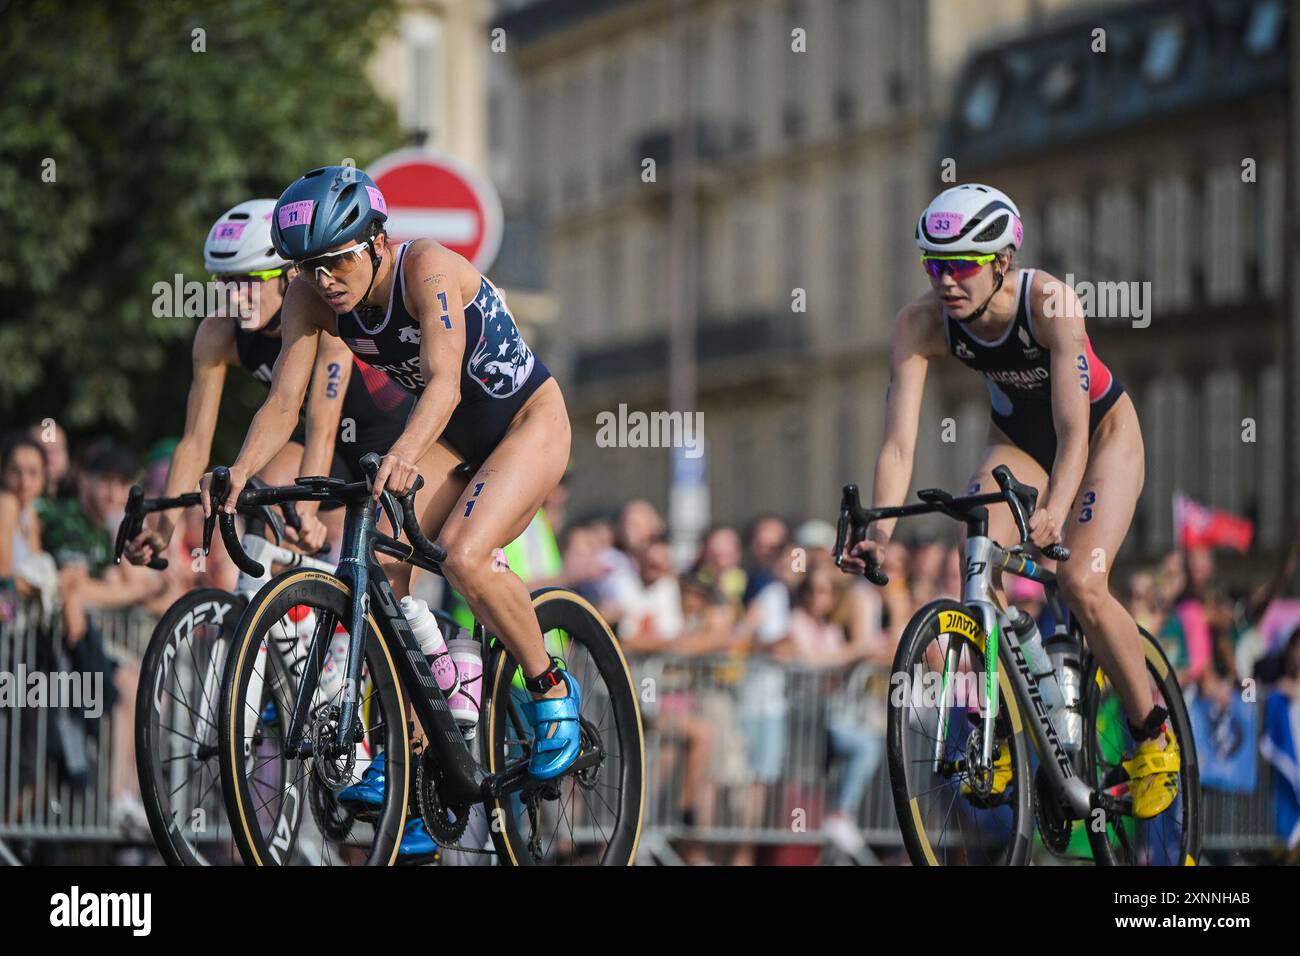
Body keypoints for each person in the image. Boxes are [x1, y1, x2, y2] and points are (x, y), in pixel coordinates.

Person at [200, 168, 578, 858]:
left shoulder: (425, 267)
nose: (326, 279)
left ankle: (551, 686)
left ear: (376, 239)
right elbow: (282, 404)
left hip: (528, 424)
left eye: (337, 259)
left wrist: (403, 453)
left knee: (463, 557)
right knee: (374, 575)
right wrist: (238, 474)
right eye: (308, 268)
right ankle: (407, 759)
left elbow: (441, 380)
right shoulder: (313, 301)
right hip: (457, 442)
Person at [841, 183, 1177, 819]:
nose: (946, 281)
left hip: (1102, 437)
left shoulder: (1051, 302)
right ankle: (993, 725)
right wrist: (880, 534)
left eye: (961, 264)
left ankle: (1152, 734)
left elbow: (1075, 432)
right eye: (933, 265)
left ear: (1002, 261)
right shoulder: (919, 324)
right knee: (968, 563)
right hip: (1017, 443)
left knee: (1079, 580)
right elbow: (897, 445)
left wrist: (1054, 507)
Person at [126, 198, 414, 565]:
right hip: (320, 446)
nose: (235, 297)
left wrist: (308, 512)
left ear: (290, 276)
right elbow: (195, 440)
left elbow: (323, 425)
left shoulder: (327, 320)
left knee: (385, 573)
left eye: (250, 282)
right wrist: (164, 529)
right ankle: (289, 616)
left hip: (388, 445)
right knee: (269, 491)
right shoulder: (218, 333)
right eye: (225, 282)